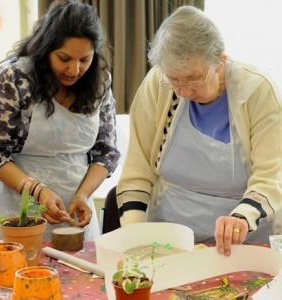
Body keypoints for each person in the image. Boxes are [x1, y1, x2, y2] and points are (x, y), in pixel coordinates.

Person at [117, 6, 282, 256]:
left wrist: (242, 217)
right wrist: (134, 237)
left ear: (220, 62)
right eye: (175, 80)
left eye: (193, 78)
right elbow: (137, 171)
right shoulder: (157, 84)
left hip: (244, 241)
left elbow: (271, 177)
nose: (183, 91)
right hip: (169, 238)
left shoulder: (258, 91)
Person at [0, 0, 120, 241]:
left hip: (77, 209)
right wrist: (37, 190)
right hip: (20, 207)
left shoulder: (100, 81)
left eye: (84, 59)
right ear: (45, 49)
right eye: (64, 58)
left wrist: (84, 195)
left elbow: (106, 152)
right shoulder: (13, 78)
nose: (74, 70)